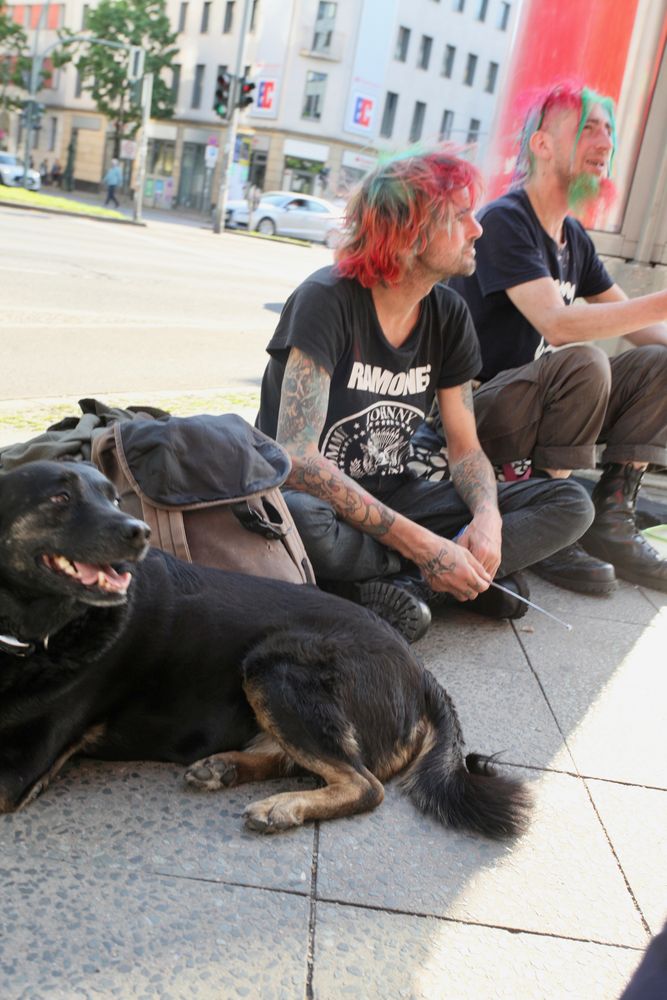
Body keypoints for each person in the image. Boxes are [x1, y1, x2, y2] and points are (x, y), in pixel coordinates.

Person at [255, 151, 595, 642]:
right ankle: (447, 579)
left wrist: (487, 518)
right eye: (460, 217)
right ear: (409, 230)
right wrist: (425, 546)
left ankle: (408, 588)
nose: (478, 230)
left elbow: (465, 446)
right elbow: (299, 458)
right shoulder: (326, 300)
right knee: (304, 521)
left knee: (570, 501)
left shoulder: (449, 314)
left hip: (395, 494)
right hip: (313, 504)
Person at [435, 81, 667, 595]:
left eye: (609, 130)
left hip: (536, 412)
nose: (606, 143)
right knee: (584, 362)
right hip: (476, 414)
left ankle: (611, 518)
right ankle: (551, 522)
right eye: (589, 128)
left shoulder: (574, 237)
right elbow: (556, 324)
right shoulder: (504, 221)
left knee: (658, 360)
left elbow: (637, 325)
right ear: (541, 144)